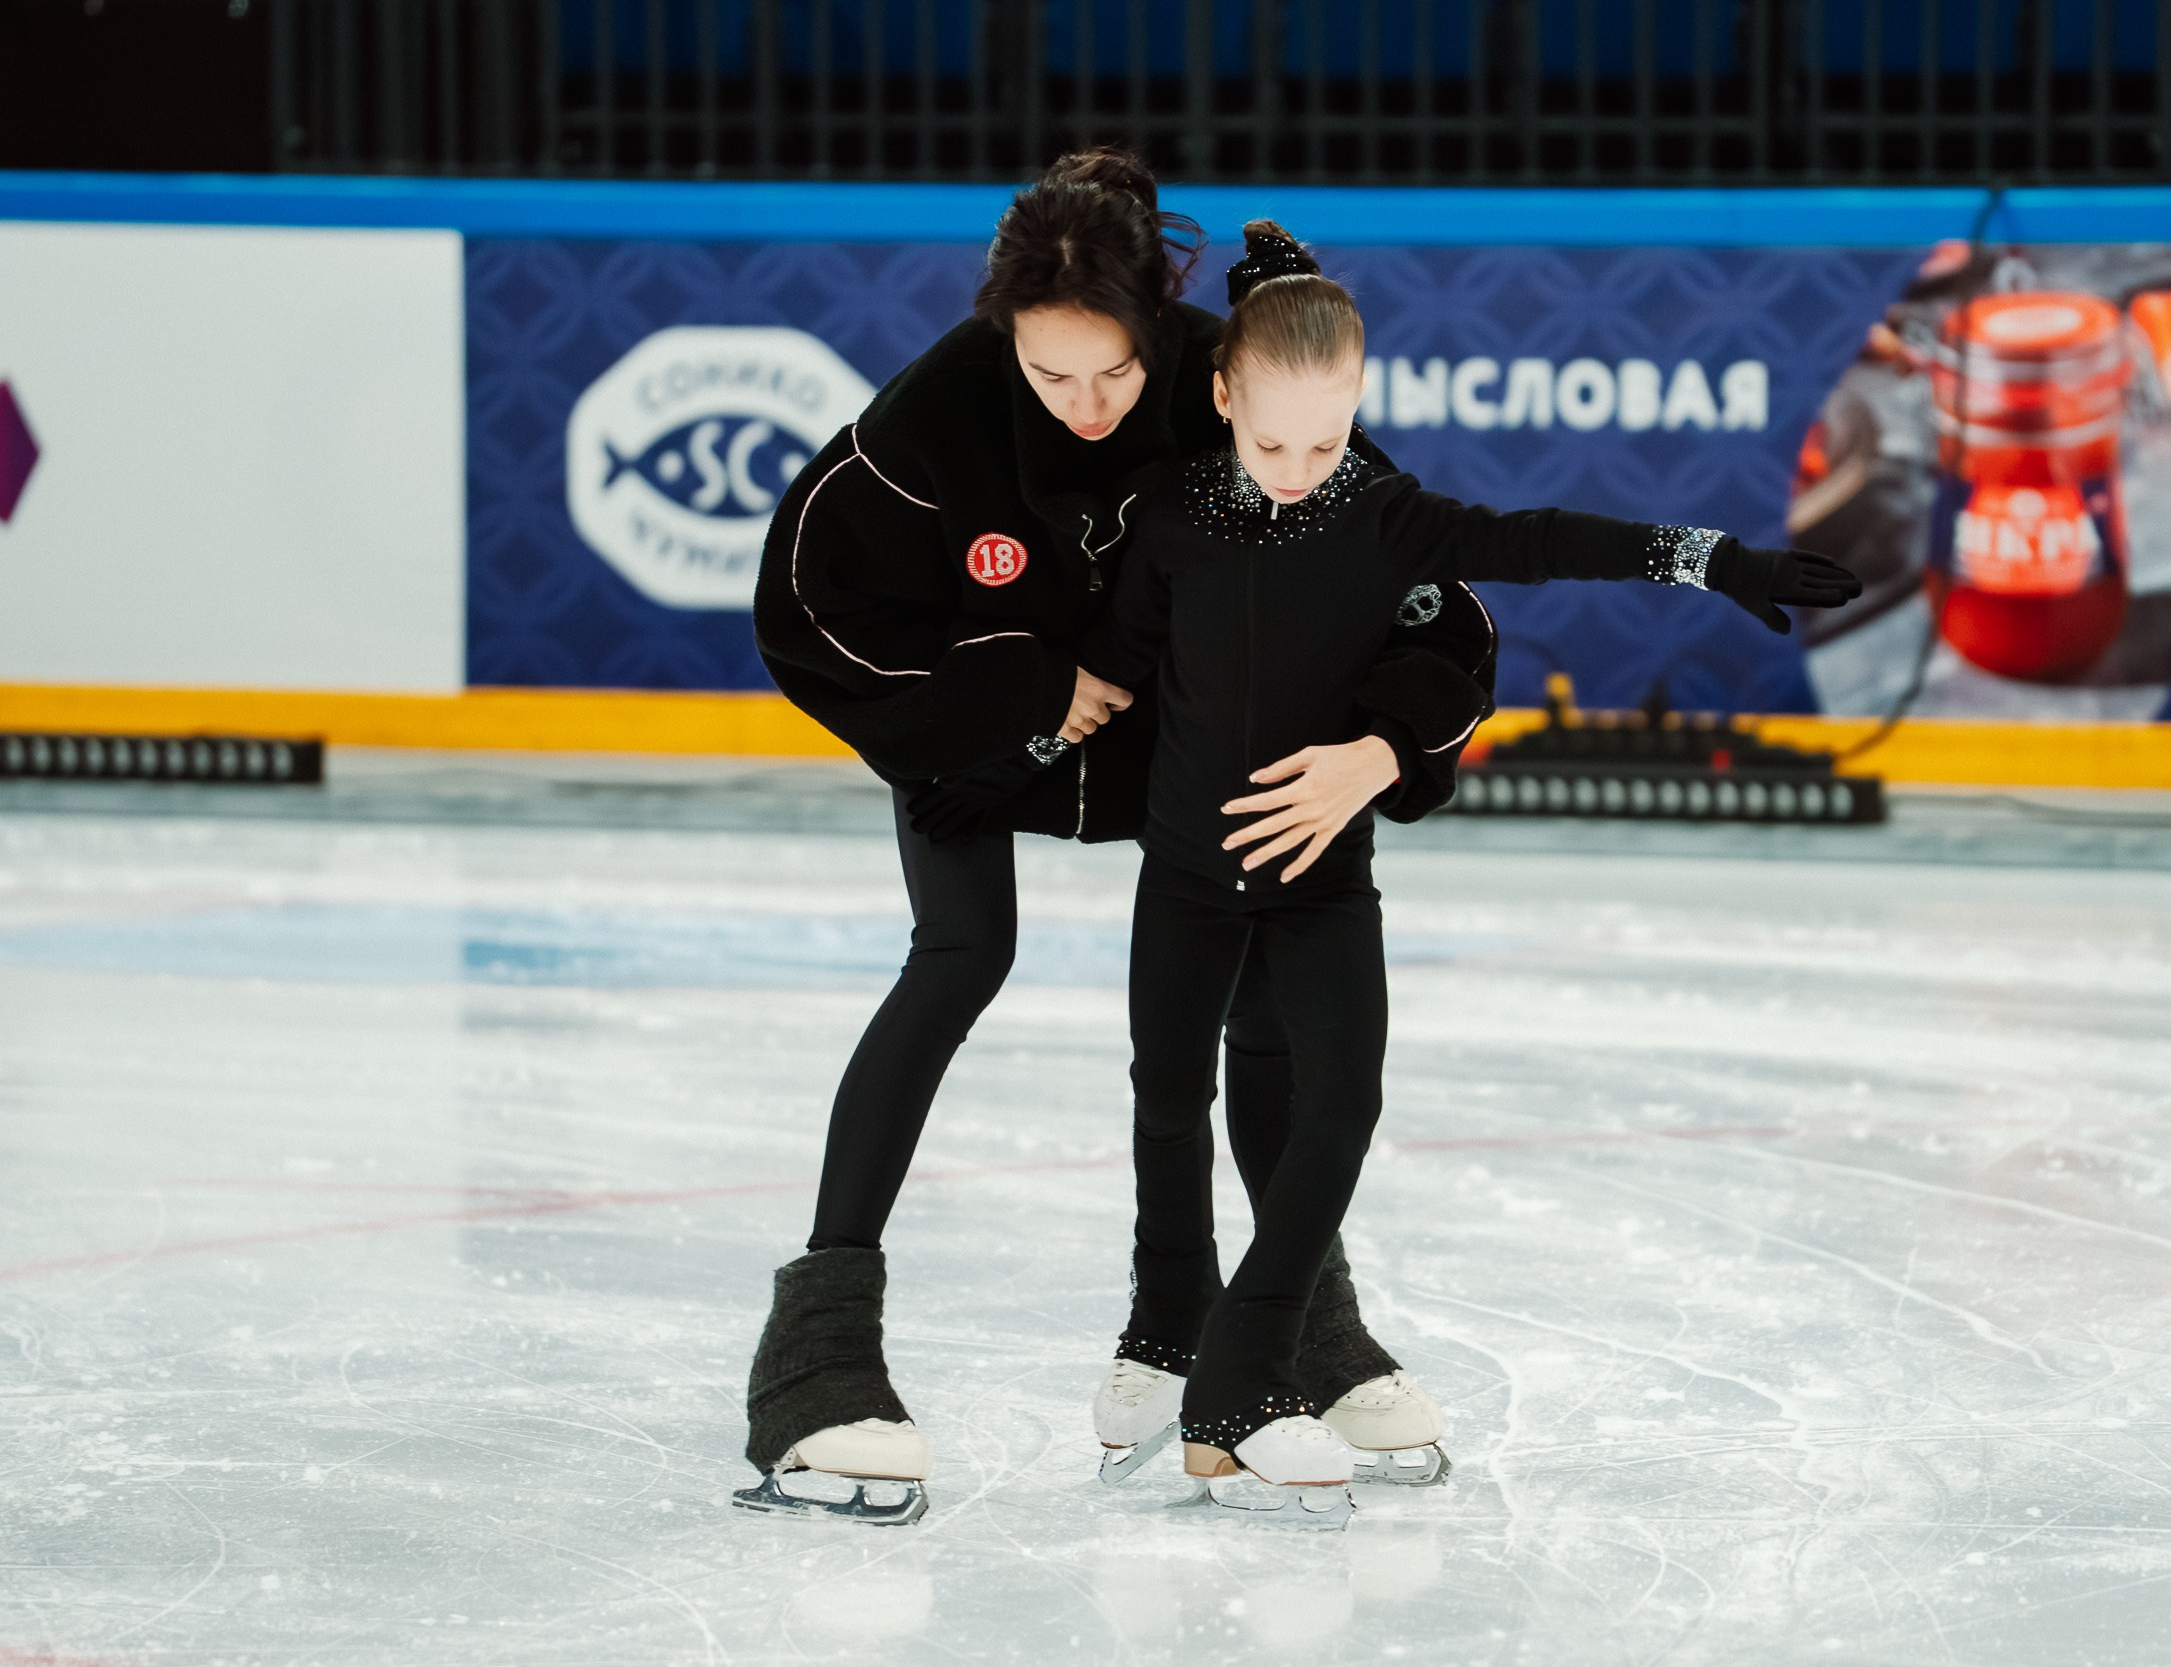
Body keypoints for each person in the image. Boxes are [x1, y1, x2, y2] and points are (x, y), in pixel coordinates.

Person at [735, 154, 1495, 1525]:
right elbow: (806, 605)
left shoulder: (1238, 384)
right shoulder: (934, 417)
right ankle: (817, 1362)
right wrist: (1012, 690)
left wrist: (1380, 747)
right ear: (1007, 339)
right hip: (981, 738)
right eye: (1050, 376)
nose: (1085, 408)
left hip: (1186, 749)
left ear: (1169, 340)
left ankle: (1298, 1327)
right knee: (960, 953)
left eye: (1115, 376)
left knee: (1262, 985)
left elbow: (1435, 608)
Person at [1075, 222, 1861, 1525]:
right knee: (1172, 1102)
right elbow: (1118, 655)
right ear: (1222, 398)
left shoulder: (1383, 520)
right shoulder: (1168, 519)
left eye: (1323, 446)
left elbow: (1542, 536)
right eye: (1270, 445)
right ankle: (1167, 1325)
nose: (1293, 473)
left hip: (1325, 872)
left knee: (1340, 1104)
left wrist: (1714, 560)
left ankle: (1241, 1373)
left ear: (1355, 419)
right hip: (1193, 869)